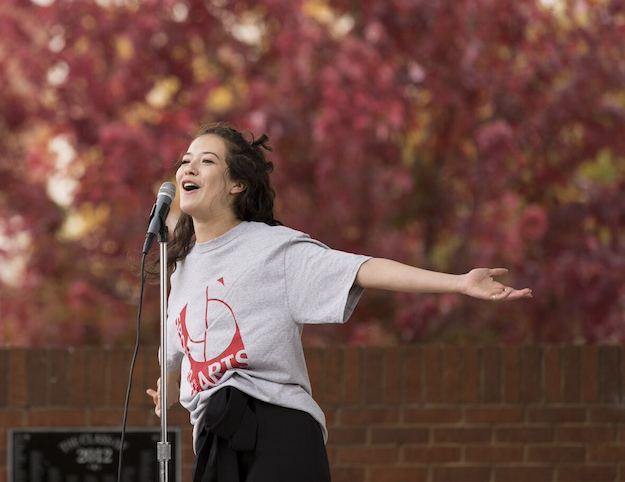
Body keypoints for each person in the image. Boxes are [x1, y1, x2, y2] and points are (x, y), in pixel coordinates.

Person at [146, 124, 532, 482]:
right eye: (185, 161)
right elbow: (182, 342)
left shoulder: (272, 249)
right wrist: (168, 381)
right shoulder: (180, 269)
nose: (188, 168)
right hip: (214, 445)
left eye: (206, 161)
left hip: (275, 429)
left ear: (237, 185)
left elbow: (363, 269)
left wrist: (459, 283)